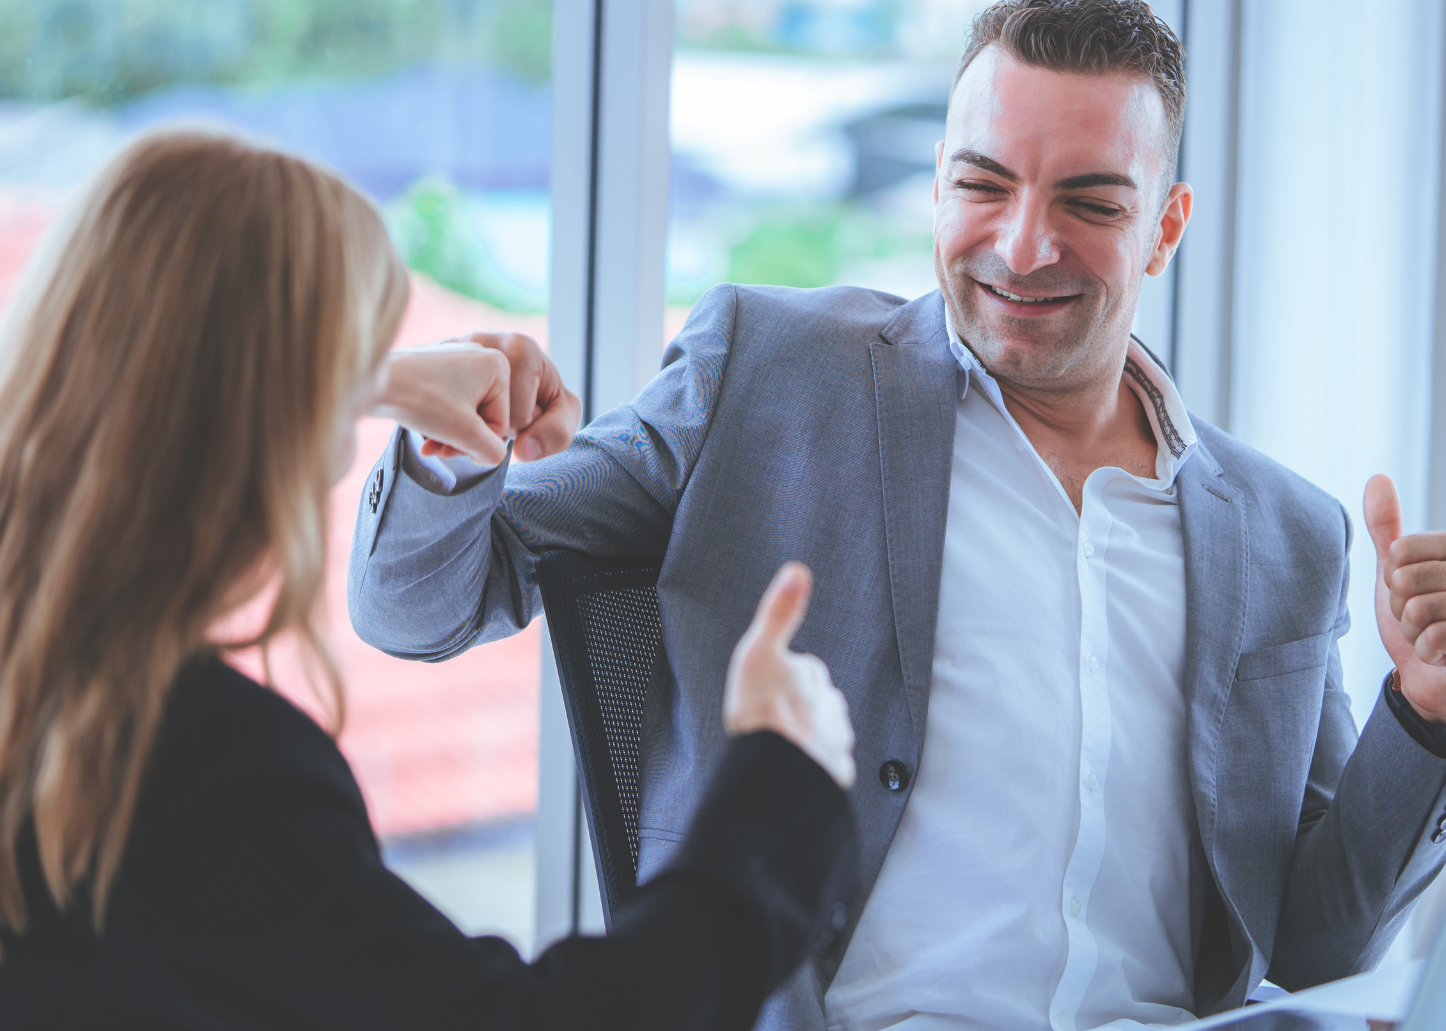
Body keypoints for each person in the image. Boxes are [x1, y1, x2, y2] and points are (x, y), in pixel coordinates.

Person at [350, 0, 1446, 1030]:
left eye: (1088, 201)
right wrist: (451, 450)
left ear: (1164, 224)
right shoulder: (768, 376)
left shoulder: (1282, 533)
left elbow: (1313, 940)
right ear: (939, 180)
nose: (1021, 243)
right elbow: (421, 606)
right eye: (982, 183)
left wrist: (1432, 711)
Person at [0, 131, 859, 1030]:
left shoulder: (56, 691)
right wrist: (780, 779)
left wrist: (381, 382)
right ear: (281, 418)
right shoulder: (201, 764)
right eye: (346, 383)